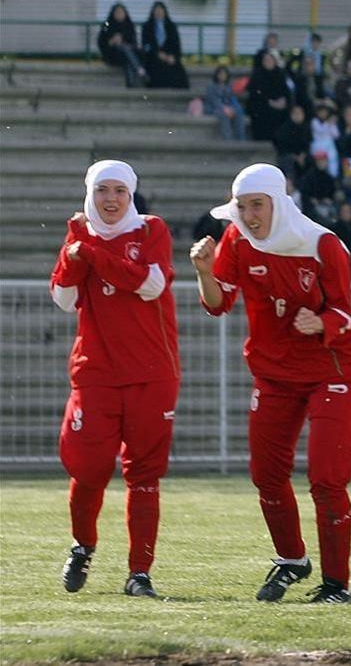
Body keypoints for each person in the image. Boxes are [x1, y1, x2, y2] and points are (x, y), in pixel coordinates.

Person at [190, 164, 351, 604]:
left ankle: (336, 586)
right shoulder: (236, 239)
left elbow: (346, 315)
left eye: (257, 206)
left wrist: (320, 320)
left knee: (326, 478)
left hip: (333, 371)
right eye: (242, 206)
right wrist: (204, 272)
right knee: (266, 474)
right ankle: (292, 560)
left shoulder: (323, 244)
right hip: (273, 374)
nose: (249, 216)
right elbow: (219, 305)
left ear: (279, 202)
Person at [51, 160, 180, 598]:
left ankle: (139, 573)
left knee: (144, 475)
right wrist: (76, 253)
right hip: (96, 373)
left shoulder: (151, 231)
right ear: (90, 193)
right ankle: (83, 546)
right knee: (87, 470)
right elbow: (64, 298)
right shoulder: (79, 233)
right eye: (103, 190)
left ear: (132, 195)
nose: (111, 200)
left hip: (152, 373)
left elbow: (150, 284)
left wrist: (90, 253)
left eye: (120, 191)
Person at [140, 2, 188, 89]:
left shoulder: (171, 26)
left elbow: (176, 45)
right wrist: (157, 54)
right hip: (153, 58)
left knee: (176, 70)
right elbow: (146, 45)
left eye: (161, 10)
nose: (158, 12)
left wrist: (173, 57)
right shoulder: (147, 26)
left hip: (169, 57)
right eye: (156, 10)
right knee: (157, 69)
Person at [98, 3, 145, 88]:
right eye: (117, 12)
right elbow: (101, 41)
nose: (119, 14)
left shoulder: (129, 24)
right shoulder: (107, 24)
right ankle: (139, 69)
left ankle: (130, 84)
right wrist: (111, 41)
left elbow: (134, 43)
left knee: (126, 57)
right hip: (112, 54)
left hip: (127, 55)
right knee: (124, 51)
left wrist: (124, 43)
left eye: (121, 12)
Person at [247, 52, 292, 142]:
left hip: (279, 103)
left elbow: (286, 90)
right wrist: (270, 102)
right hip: (262, 103)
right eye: (266, 60)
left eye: (270, 60)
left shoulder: (280, 74)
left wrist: (283, 100)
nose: (268, 62)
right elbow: (255, 92)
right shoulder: (257, 74)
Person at [205, 66, 248, 141]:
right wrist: (224, 108)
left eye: (224, 74)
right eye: (220, 74)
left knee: (238, 112)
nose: (222, 76)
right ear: (217, 75)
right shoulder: (211, 87)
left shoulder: (229, 86)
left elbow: (232, 99)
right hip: (214, 108)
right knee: (224, 115)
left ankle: (241, 138)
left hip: (229, 107)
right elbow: (213, 101)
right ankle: (228, 139)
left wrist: (232, 109)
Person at [274, 105, 311, 181]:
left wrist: (303, 155)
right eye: (296, 113)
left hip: (302, 156)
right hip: (287, 156)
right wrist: (295, 156)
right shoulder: (285, 129)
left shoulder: (306, 128)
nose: (298, 116)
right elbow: (281, 145)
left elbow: (307, 144)